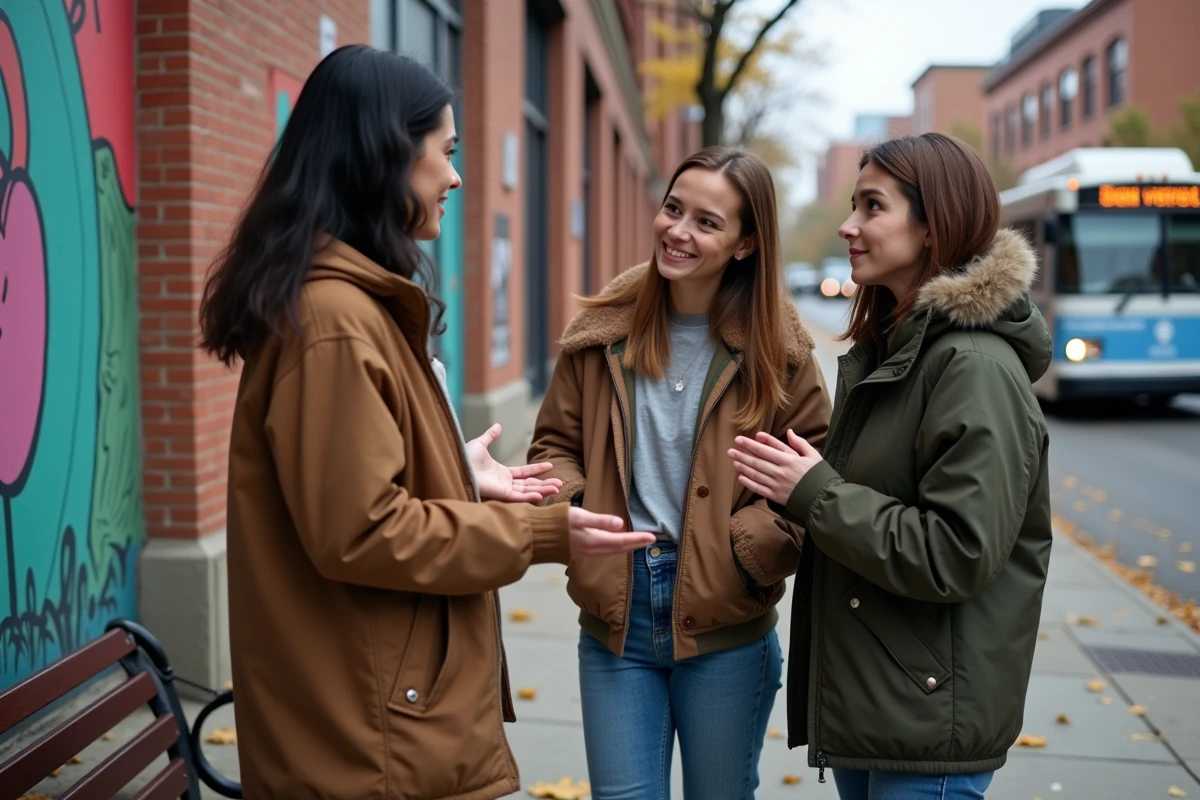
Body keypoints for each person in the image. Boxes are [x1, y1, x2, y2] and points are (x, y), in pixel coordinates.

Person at [198, 45, 655, 800]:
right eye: (443, 152)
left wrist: (450, 468)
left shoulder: (340, 306)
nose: (456, 176)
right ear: (382, 156)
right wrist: (543, 534)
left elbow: (352, 491)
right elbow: (364, 531)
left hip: (372, 722)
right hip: (371, 745)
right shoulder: (337, 321)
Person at [728, 132, 1053, 800]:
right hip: (886, 701)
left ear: (933, 227)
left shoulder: (973, 368)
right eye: (853, 204)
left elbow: (955, 552)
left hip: (928, 722)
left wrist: (813, 492)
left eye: (873, 207)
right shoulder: (895, 351)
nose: (849, 225)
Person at [528, 146, 833, 799]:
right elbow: (554, 443)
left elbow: (817, 472)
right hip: (617, 616)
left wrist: (741, 551)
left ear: (746, 243)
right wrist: (581, 516)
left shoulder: (781, 351)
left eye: (707, 221)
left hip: (728, 627)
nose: (678, 231)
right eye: (673, 209)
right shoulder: (602, 332)